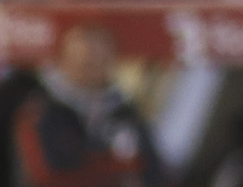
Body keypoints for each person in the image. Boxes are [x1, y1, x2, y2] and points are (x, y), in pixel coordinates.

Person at [12, 26, 163, 187]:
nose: (92, 63)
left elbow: (153, 170)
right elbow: (47, 172)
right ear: (65, 59)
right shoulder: (42, 110)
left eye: (99, 57)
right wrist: (119, 167)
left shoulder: (126, 112)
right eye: (84, 59)